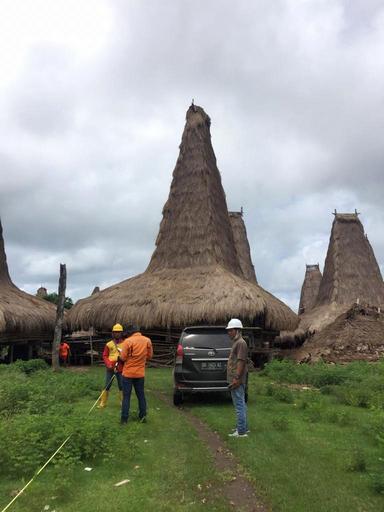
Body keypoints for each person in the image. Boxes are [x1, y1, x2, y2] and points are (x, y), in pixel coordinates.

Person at [120, 325, 153, 424]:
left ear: (130, 332)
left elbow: (123, 358)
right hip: (140, 374)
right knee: (141, 395)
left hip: (128, 374)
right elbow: (150, 356)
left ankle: (124, 419)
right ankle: (142, 417)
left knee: (126, 397)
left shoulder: (127, 341)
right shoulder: (147, 340)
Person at [226, 318, 249, 438]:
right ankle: (243, 427)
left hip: (237, 379)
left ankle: (241, 432)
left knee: (239, 405)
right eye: (228, 330)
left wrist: (236, 377)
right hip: (236, 378)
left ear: (237, 330)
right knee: (242, 404)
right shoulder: (237, 342)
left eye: (230, 330)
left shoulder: (240, 343)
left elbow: (241, 361)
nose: (228, 332)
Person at [98, 323, 125, 408]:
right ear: (113, 333)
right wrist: (108, 364)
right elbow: (105, 355)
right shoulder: (109, 344)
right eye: (115, 332)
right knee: (107, 385)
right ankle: (103, 403)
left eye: (119, 332)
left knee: (122, 385)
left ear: (121, 333)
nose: (117, 333)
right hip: (110, 368)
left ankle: (123, 403)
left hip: (121, 367)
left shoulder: (126, 343)